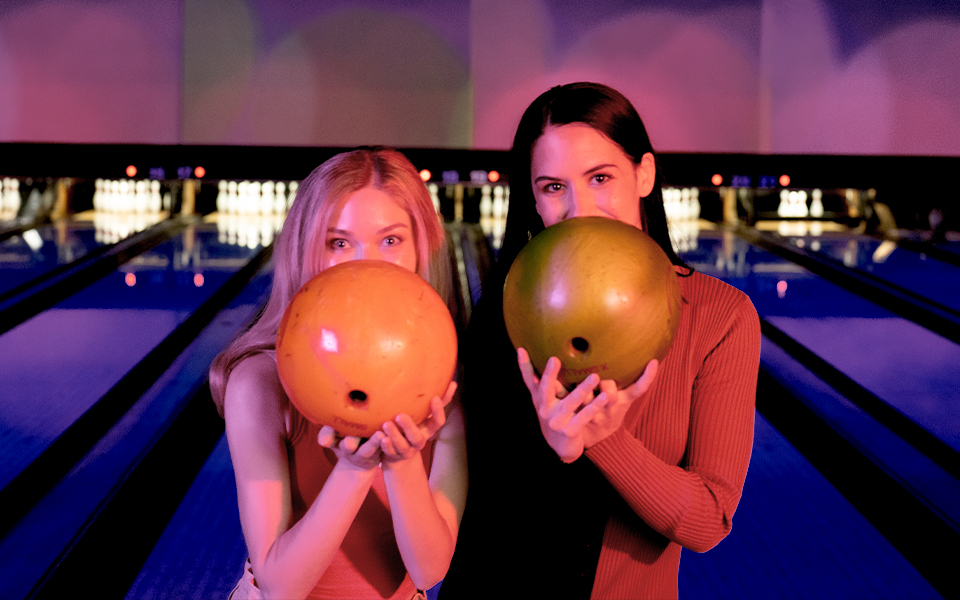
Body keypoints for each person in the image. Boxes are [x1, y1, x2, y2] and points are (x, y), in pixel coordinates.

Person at [439, 83, 760, 599]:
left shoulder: (718, 317)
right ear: (533, 200)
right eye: (552, 186)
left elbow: (708, 522)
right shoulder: (503, 308)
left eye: (600, 178)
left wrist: (605, 440)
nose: (578, 207)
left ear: (645, 175)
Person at [209, 148, 468, 600]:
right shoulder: (259, 382)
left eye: (390, 240)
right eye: (339, 242)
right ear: (307, 251)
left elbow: (429, 571)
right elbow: (280, 585)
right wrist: (353, 469)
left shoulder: (446, 380)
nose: (366, 263)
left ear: (420, 248)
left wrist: (403, 461)